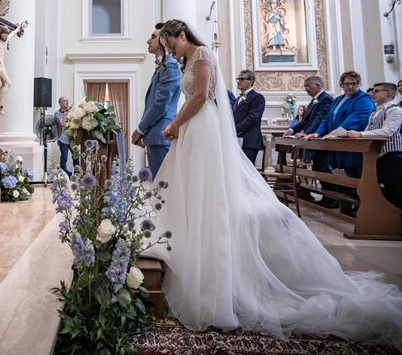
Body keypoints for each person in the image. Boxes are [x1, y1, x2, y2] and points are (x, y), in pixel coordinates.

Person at [145, 19, 402, 348]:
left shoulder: (204, 54)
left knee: (207, 187)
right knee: (189, 188)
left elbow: (198, 98)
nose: (171, 50)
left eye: (171, 43)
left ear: (182, 36)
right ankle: (189, 233)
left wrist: (175, 124)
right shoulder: (187, 59)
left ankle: (210, 254)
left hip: (200, 126)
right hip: (192, 129)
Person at [304, 70, 375, 208]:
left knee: (353, 172)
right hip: (336, 141)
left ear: (358, 83)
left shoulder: (364, 99)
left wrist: (336, 133)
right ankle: (343, 201)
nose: (349, 87)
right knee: (338, 172)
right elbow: (327, 118)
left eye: (353, 84)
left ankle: (360, 205)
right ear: (341, 84)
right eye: (346, 84)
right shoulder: (338, 99)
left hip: (352, 143)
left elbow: (355, 119)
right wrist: (318, 133)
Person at [131, 23, 182, 179]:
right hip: (155, 134)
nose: (148, 40)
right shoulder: (163, 67)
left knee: (163, 187)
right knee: (159, 187)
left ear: (164, 40)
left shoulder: (171, 67)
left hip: (161, 135)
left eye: (153, 37)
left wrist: (140, 130)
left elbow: (160, 105)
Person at [347, 83, 402, 209]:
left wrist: (360, 134)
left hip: (391, 155)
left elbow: (388, 131)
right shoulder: (374, 112)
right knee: (385, 190)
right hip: (375, 156)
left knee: (397, 189)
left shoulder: (395, 110)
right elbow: (368, 130)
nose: (373, 94)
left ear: (388, 93)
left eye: (376, 91)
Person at [232, 70, 265, 164]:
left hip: (249, 141)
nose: (238, 81)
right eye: (238, 79)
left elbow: (253, 118)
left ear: (251, 81)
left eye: (242, 79)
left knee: (247, 171)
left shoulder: (257, 97)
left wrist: (235, 129)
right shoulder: (238, 99)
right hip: (237, 140)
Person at [54, 96, 79, 177]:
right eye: (65, 101)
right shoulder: (57, 114)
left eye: (67, 100)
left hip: (72, 139)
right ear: (60, 103)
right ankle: (65, 175)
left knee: (76, 157)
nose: (67, 102)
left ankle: (77, 174)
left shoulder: (72, 111)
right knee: (64, 158)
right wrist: (66, 113)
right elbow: (63, 124)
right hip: (63, 139)